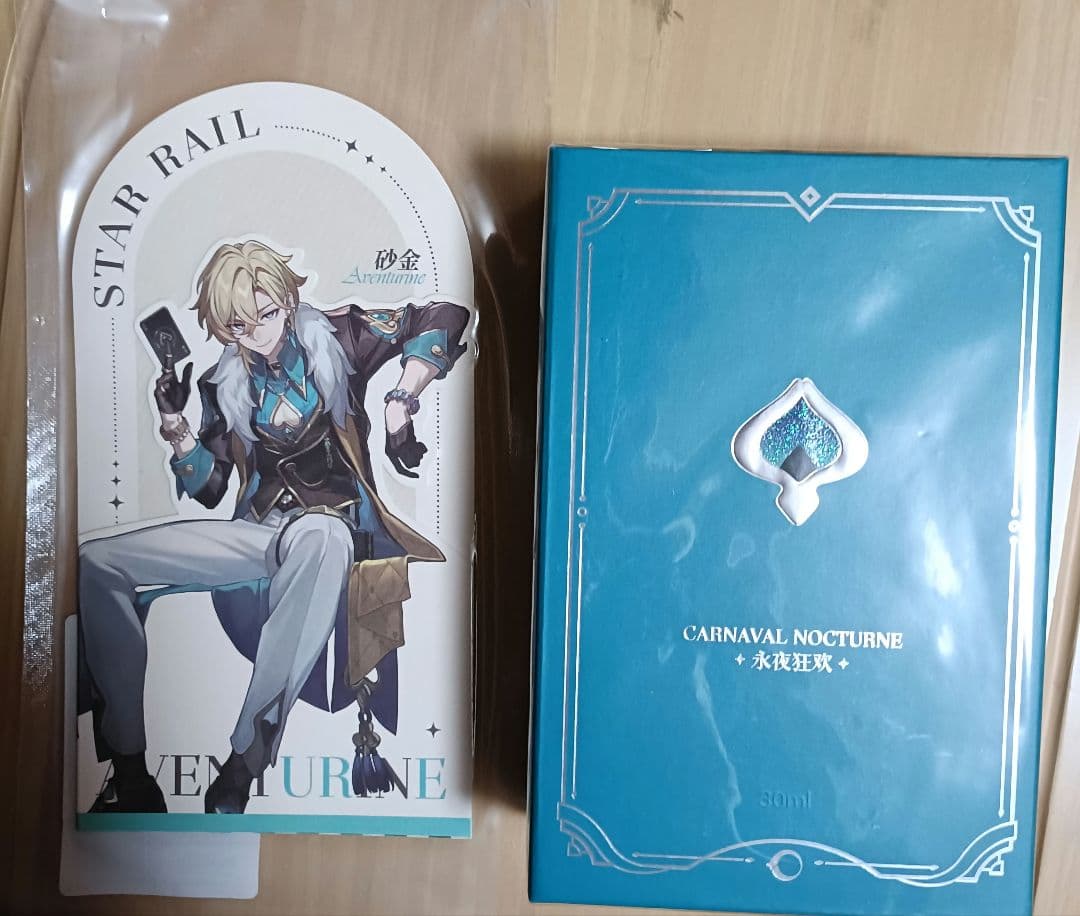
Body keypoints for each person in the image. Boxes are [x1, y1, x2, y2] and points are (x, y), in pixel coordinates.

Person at [78, 240, 469, 814]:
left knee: (322, 537)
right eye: (239, 324)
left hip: (333, 527)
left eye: (266, 313)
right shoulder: (221, 383)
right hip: (260, 532)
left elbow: (443, 315)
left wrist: (400, 399)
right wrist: (174, 423)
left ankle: (248, 754)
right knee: (97, 563)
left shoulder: (342, 337)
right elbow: (210, 487)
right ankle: (130, 770)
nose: (257, 332)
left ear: (287, 300)